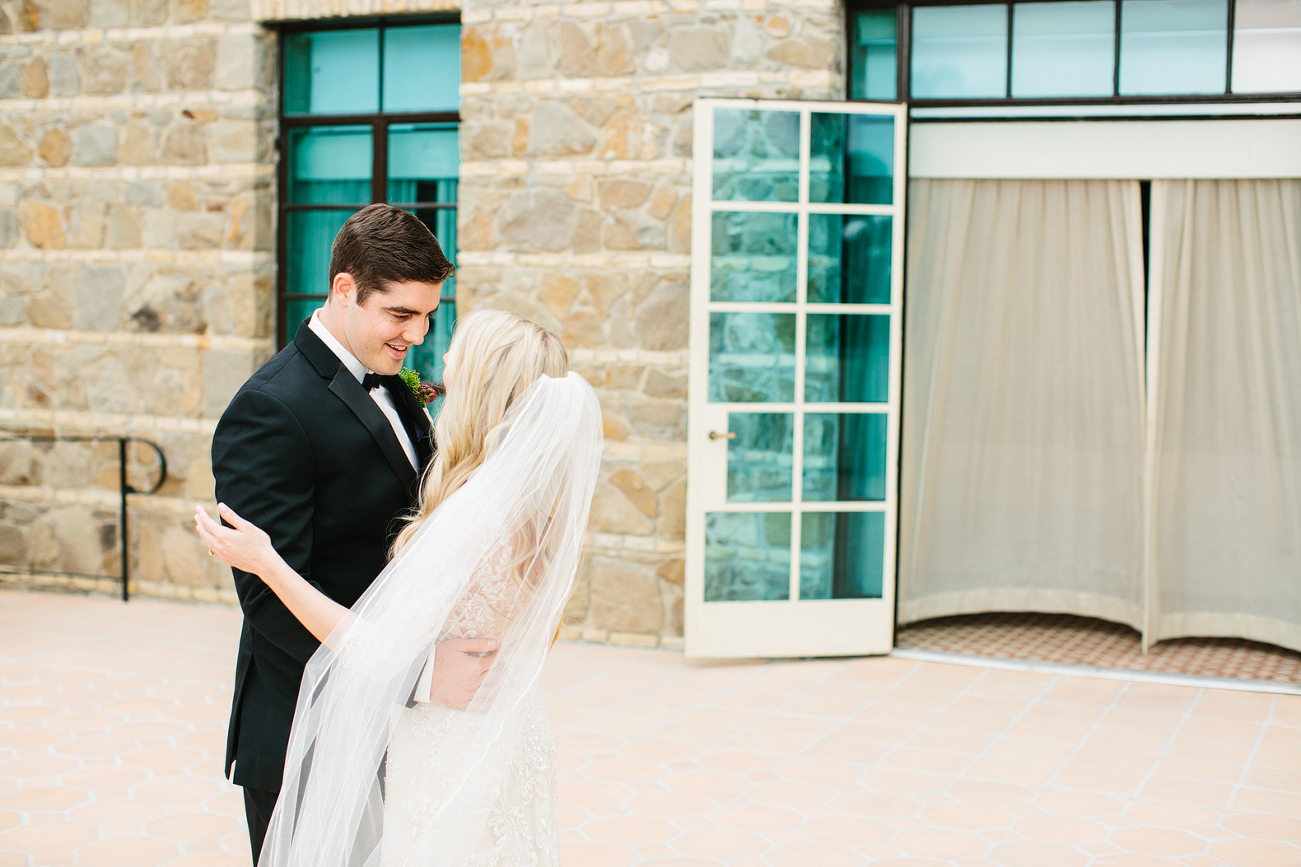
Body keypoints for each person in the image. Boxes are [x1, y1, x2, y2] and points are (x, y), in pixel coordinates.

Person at [197, 309, 603, 866]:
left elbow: (374, 646)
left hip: (451, 747)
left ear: (480, 383)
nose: (438, 355)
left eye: (453, 344)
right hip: (509, 735)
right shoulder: (534, 506)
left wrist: (266, 561)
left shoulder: (477, 515)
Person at [210, 203, 501, 862]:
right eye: (400, 314)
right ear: (344, 289)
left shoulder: (395, 385)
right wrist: (416, 676)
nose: (417, 335)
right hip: (306, 730)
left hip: (389, 722)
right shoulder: (269, 409)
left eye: (427, 315)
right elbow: (269, 601)